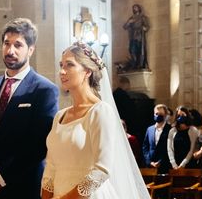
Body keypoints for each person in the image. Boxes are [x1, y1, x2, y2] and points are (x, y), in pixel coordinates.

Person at [41, 42, 149, 198]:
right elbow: (51, 167)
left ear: (87, 71)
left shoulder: (100, 111)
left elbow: (101, 170)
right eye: (61, 65)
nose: (62, 71)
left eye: (69, 65)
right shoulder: (60, 116)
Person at [0, 18, 59, 198]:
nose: (10, 50)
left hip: (24, 187)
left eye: (18, 45)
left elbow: (39, 144)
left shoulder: (44, 89)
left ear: (30, 50)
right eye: (6, 43)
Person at [142, 104, 172, 173]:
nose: (158, 115)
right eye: (156, 113)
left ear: (165, 115)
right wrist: (149, 161)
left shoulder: (170, 129)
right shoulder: (150, 129)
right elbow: (145, 146)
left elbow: (170, 148)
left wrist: (160, 162)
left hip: (164, 165)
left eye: (161, 114)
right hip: (150, 165)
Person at [123, 4, 150, 69]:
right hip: (132, 36)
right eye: (133, 8)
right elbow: (125, 27)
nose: (134, 9)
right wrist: (129, 22)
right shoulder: (131, 18)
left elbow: (147, 26)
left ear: (138, 8)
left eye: (135, 7)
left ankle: (140, 64)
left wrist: (144, 28)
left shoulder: (142, 17)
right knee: (131, 50)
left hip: (139, 36)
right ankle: (134, 63)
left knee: (139, 50)